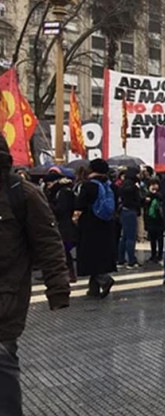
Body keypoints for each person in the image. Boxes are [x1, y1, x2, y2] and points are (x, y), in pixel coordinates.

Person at [0, 135, 70, 415]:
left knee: (3, 376)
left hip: (5, 300)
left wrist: (58, 289)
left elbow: (48, 242)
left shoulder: (22, 193)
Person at [73, 159, 117, 298]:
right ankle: (93, 289)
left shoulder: (88, 185)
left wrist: (75, 219)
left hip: (90, 225)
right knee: (100, 255)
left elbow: (80, 205)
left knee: (89, 255)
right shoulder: (111, 185)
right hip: (106, 224)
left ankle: (104, 280)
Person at [43, 167, 78, 283]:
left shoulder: (63, 192)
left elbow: (61, 210)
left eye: (48, 184)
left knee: (64, 250)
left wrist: (49, 205)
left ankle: (70, 274)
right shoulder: (61, 191)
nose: (48, 186)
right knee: (62, 250)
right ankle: (65, 273)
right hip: (63, 225)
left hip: (65, 226)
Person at [117, 167, 142, 268]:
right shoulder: (133, 186)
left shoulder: (123, 185)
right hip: (131, 210)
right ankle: (131, 260)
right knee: (131, 237)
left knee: (124, 237)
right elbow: (137, 199)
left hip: (124, 210)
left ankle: (121, 259)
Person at [143, 177, 164, 263]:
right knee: (152, 238)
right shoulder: (147, 195)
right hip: (150, 219)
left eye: (155, 184)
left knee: (160, 237)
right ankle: (153, 254)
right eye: (152, 184)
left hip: (159, 219)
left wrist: (154, 194)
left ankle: (160, 255)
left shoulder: (160, 194)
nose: (154, 186)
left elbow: (161, 198)